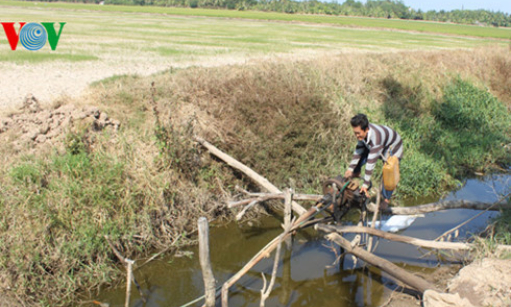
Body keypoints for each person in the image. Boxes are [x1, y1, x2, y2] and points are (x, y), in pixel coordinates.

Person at [344, 113, 403, 210]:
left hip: (393, 146)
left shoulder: (376, 138)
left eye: (358, 133)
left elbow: (371, 163)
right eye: (355, 133)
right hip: (380, 144)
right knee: (362, 154)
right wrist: (351, 169)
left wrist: (365, 184)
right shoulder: (363, 134)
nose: (356, 135)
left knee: (388, 172)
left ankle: (386, 200)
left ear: (366, 129)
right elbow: (358, 151)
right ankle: (355, 174)